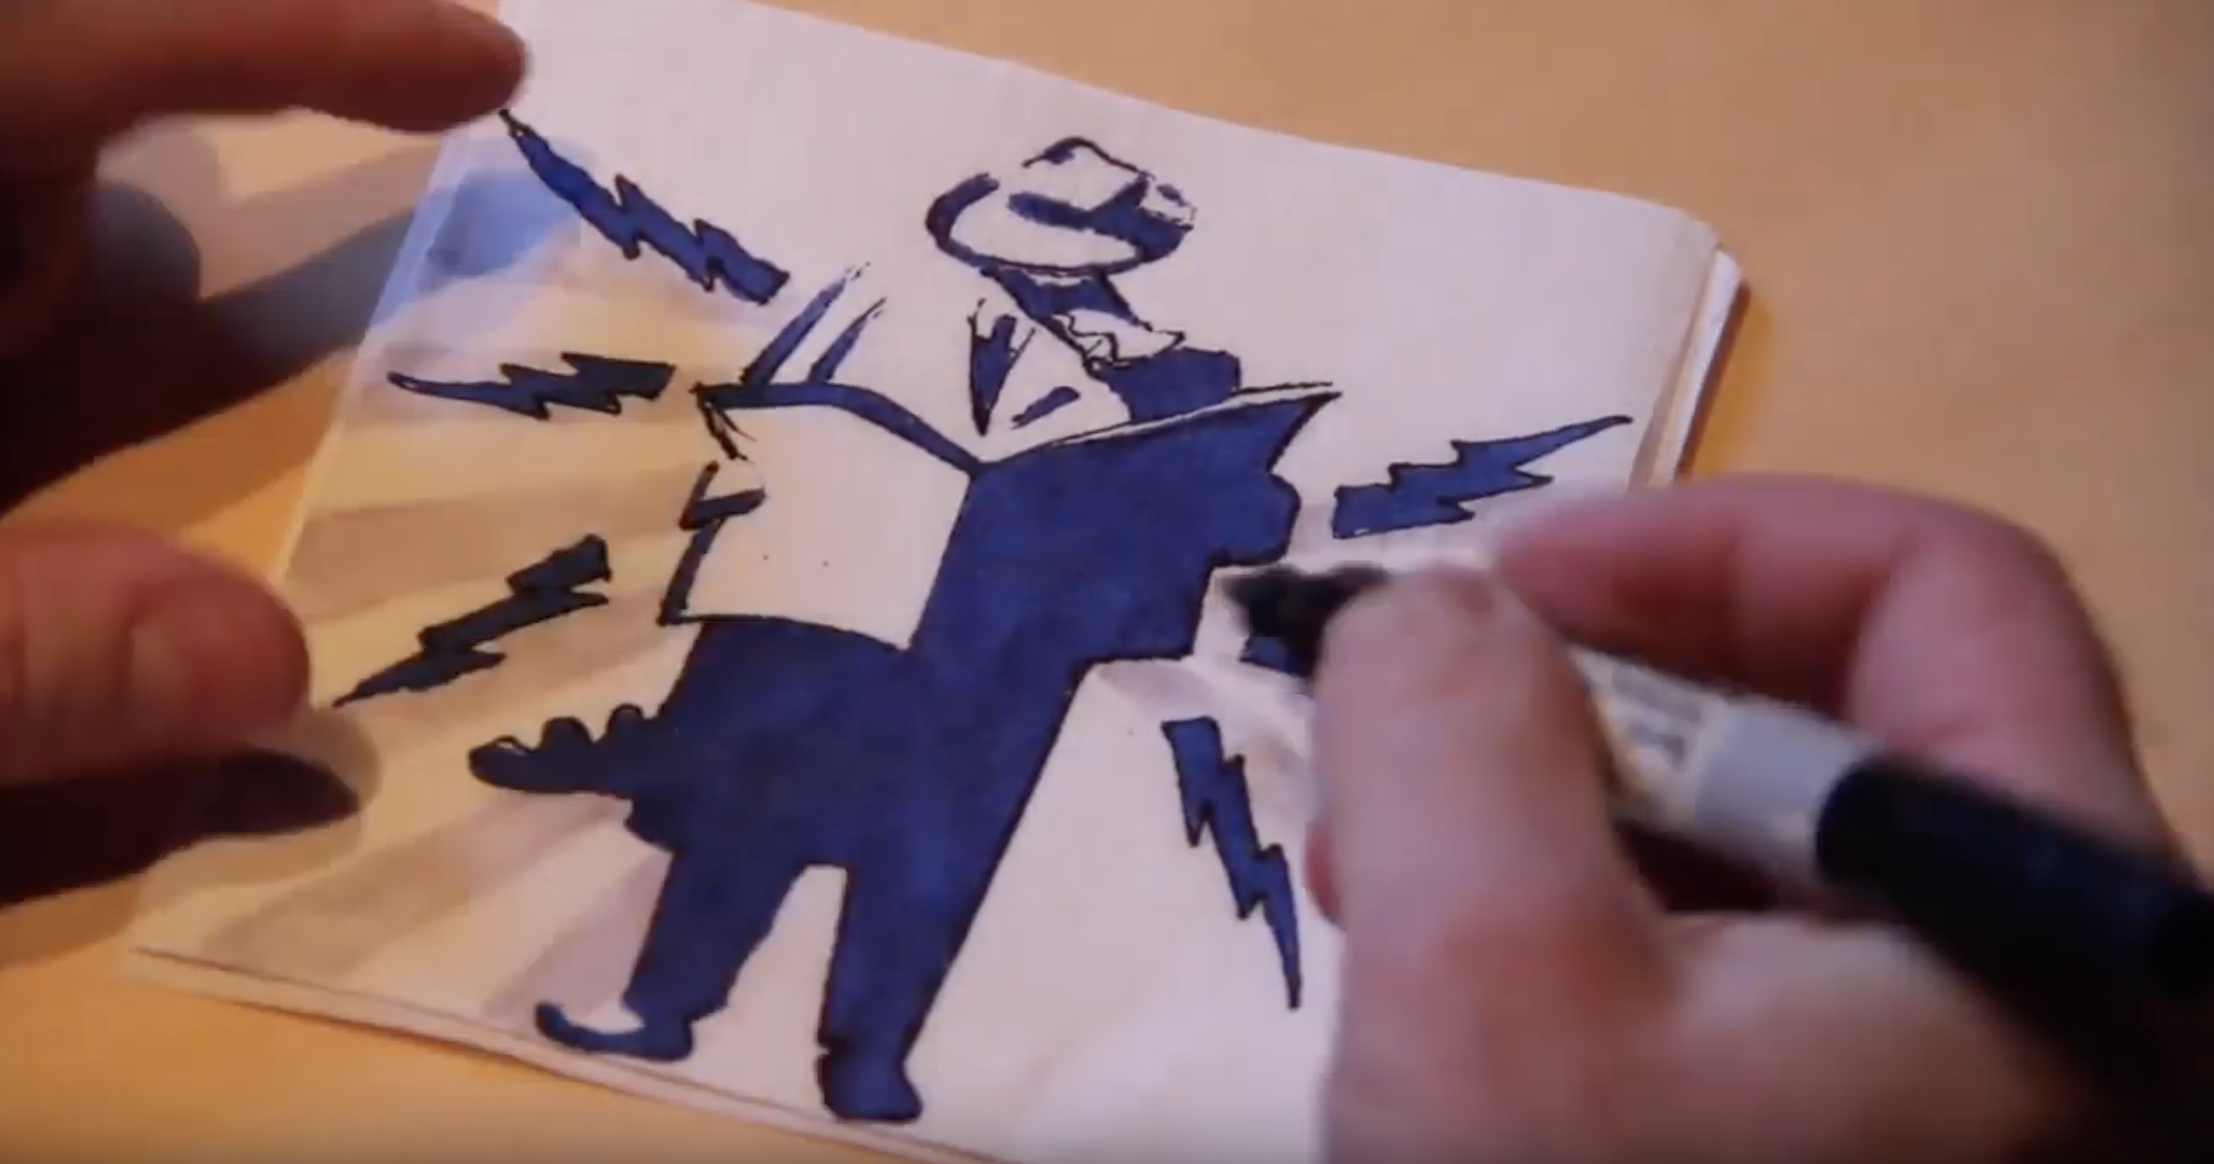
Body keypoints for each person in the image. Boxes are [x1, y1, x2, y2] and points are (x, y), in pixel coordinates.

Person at [0, 2, 2172, 1160]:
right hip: (822, 605)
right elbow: (769, 421)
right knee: (742, 830)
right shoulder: (870, 311)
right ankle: (665, 1003)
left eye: (1090, 247)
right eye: (1049, 236)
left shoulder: (1189, 380)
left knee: (925, 867)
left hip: (1001, 655)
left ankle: (868, 1058)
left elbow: (1222, 517)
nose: (1069, 267)